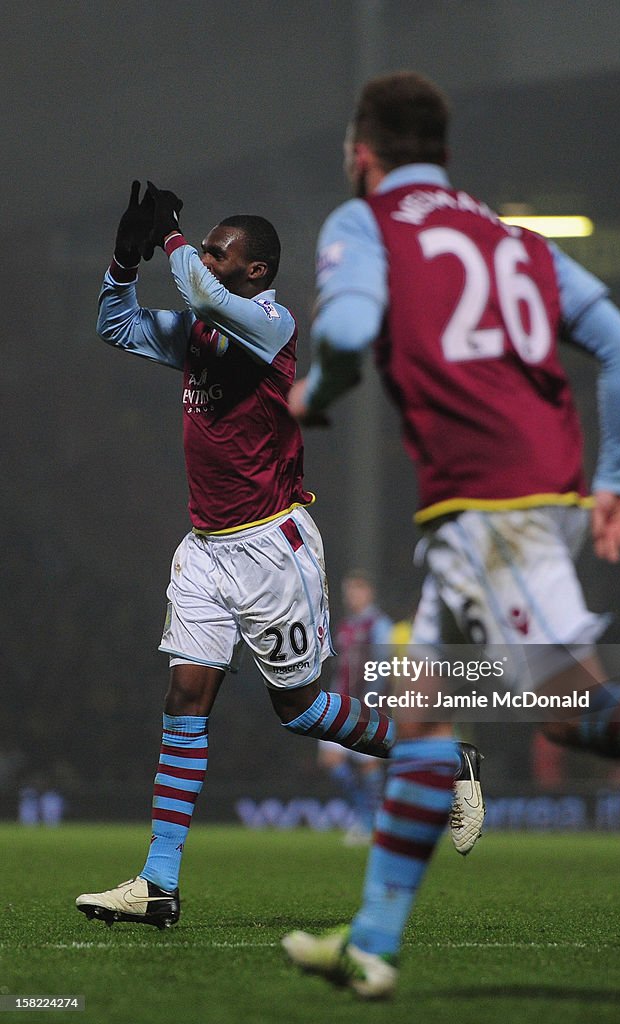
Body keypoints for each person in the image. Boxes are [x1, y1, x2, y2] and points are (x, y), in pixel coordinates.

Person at [282, 71, 620, 998]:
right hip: (523, 501)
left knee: (574, 710)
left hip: (493, 510)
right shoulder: (515, 239)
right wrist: (616, 477)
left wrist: (319, 393)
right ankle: (371, 946)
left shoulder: (365, 222)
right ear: (446, 155)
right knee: (420, 715)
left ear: (361, 154)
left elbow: (347, 323)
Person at [75, 182, 398, 930]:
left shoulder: (272, 325)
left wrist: (177, 238)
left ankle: (435, 762)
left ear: (256, 272)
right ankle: (159, 883)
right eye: (206, 249)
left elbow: (195, 283)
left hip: (270, 548)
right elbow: (113, 326)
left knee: (299, 709)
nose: (207, 261)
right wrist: (125, 260)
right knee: (186, 696)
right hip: (205, 550)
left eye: (224, 253)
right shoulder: (198, 332)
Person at [318, 570, 392, 843]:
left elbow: (383, 667)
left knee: (368, 765)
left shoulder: (379, 624)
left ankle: (372, 821)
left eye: (356, 590)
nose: (351, 596)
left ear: (368, 592)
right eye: (348, 591)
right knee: (330, 759)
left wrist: (371, 701)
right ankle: (365, 814)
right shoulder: (345, 626)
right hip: (342, 704)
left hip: (368, 706)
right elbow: (341, 669)